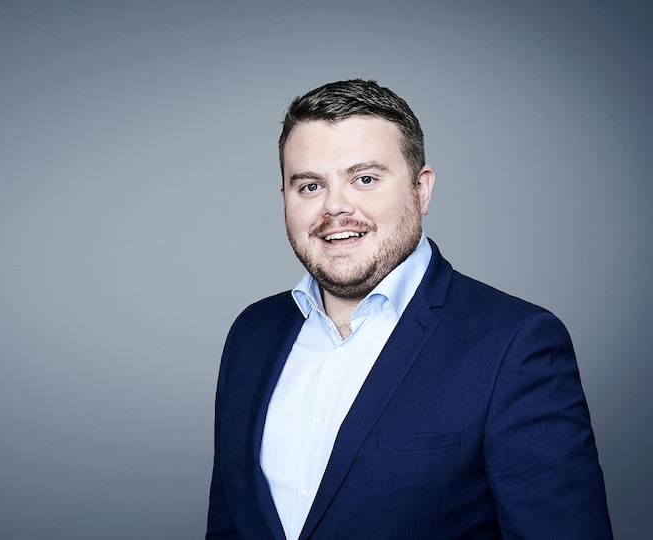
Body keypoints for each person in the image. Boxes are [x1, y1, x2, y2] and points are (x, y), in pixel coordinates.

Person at [206, 79, 612, 539]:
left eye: (365, 179)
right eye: (310, 185)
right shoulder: (250, 334)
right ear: (284, 197)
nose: (335, 207)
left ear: (421, 190)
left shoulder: (515, 345)